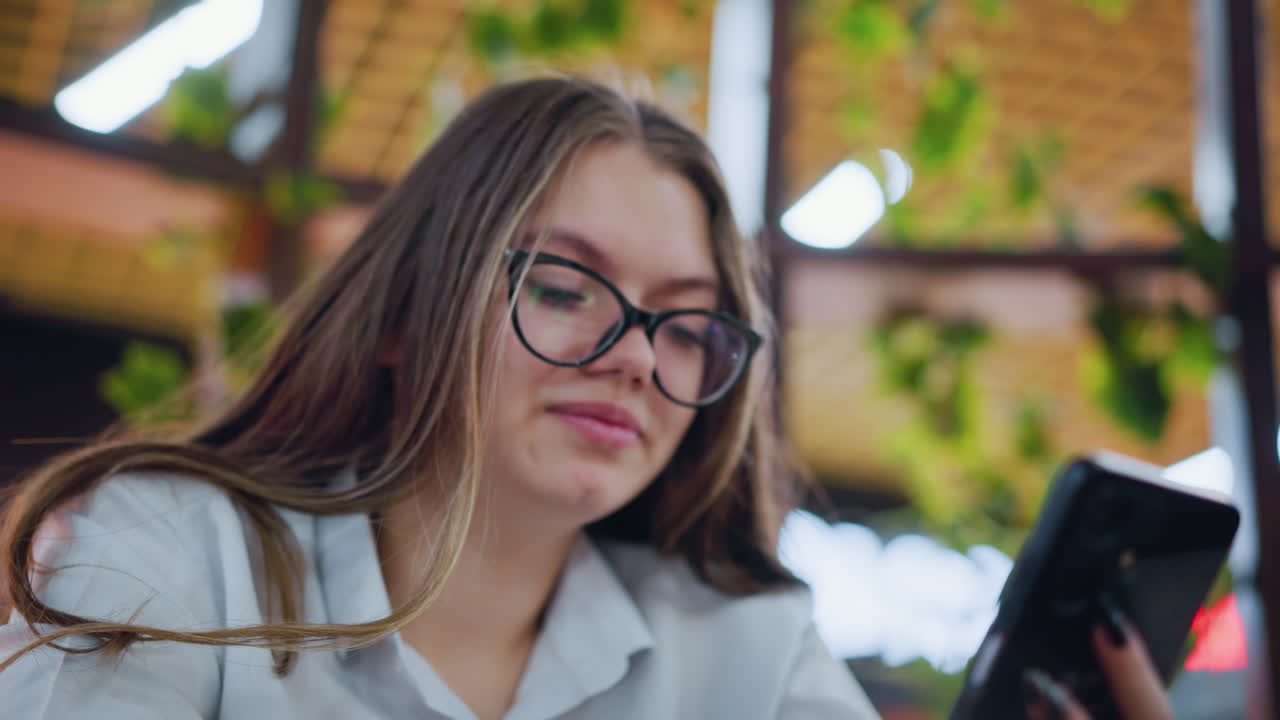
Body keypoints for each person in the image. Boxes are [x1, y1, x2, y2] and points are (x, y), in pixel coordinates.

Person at [0, 75, 1171, 719]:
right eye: (564, 288)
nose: (631, 357)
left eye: (684, 322)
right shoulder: (168, 552)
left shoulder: (745, 654)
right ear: (405, 315)